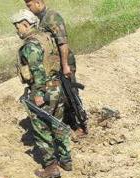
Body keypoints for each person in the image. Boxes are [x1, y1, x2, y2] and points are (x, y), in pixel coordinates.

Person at [13, 9, 73, 178]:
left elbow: (37, 71)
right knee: (58, 124)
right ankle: (66, 160)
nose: (17, 30)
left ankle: (51, 167)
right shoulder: (46, 37)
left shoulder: (31, 45)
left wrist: (38, 93)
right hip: (56, 86)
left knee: (42, 128)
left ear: (26, 24)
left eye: (18, 27)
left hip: (43, 89)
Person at [24, 0, 86, 138]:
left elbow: (63, 43)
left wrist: (65, 65)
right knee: (59, 94)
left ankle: (80, 125)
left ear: (38, 3)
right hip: (54, 65)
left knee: (70, 94)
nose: (28, 9)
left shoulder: (52, 17)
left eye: (29, 5)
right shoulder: (40, 19)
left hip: (63, 63)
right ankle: (66, 124)